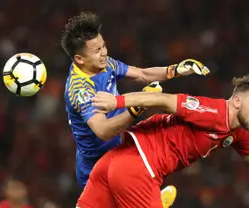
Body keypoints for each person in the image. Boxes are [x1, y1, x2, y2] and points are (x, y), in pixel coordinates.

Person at [76, 74, 249, 208]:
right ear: (236, 101)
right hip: (138, 169)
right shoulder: (212, 110)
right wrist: (117, 101)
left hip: (113, 163)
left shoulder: (237, 132)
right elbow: (163, 100)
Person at [61, 11, 209, 207]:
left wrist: (176, 69)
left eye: (103, 46)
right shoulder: (81, 90)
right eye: (97, 50)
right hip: (97, 166)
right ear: (80, 59)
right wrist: (136, 108)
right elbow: (103, 131)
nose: (104, 52)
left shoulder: (106, 65)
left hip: (121, 152)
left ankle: (148, 199)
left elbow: (143, 74)